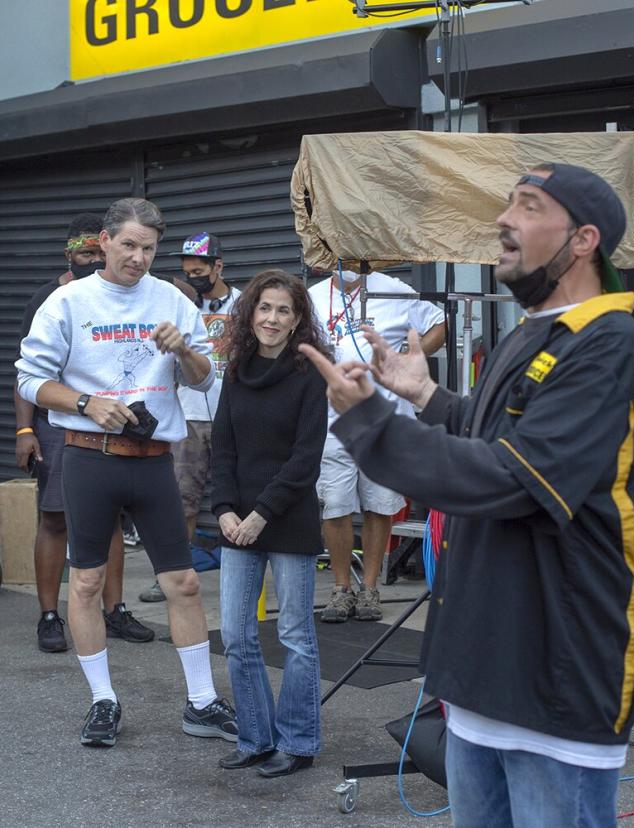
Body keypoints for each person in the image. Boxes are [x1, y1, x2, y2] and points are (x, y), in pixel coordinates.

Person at [301, 163, 634, 827]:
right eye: (508, 204)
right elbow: (495, 435)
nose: (503, 220)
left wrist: (371, 422)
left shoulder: (608, 341)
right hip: (480, 675)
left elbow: (514, 478)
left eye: (527, 206)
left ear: (581, 241)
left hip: (555, 672)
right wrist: (424, 397)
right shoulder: (528, 334)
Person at [17, 197, 237, 748]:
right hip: (89, 456)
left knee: (182, 583)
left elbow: (205, 380)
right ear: (106, 243)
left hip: (154, 459)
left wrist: (184, 348)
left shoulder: (173, 299)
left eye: (149, 247)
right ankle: (102, 701)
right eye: (130, 245)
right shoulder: (68, 301)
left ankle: (202, 702)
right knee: (87, 581)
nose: (139, 257)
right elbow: (29, 380)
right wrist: (88, 402)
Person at [14, 213, 153, 651]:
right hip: (59, 423)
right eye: (85, 252)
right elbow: (24, 372)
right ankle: (50, 615)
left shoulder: (120, 295)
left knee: (110, 518)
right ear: (68, 253)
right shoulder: (49, 298)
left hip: (113, 421)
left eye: (98, 251)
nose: (92, 259)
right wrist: (24, 429)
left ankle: (114, 611)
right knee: (55, 519)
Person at [210, 269, 328, 778]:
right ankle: (256, 737)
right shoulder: (236, 371)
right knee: (237, 634)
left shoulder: (309, 376)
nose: (272, 318)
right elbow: (222, 450)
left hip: (287, 519)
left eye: (283, 310)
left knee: (296, 635)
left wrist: (261, 513)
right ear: (249, 313)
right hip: (239, 523)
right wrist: (226, 510)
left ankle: (298, 742)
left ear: (298, 319)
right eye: (264, 308)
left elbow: (305, 460)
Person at [307, 266, 446, 623]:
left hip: (384, 419)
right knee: (335, 505)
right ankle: (341, 588)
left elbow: (440, 323)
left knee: (379, 505)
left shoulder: (393, 289)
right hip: (331, 418)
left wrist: (403, 359)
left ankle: (369, 587)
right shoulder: (313, 295)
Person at [140, 232, 240, 604]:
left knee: (239, 496)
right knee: (180, 498)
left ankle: (243, 571)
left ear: (218, 266)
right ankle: (170, 572)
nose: (193, 278)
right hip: (189, 414)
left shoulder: (245, 305)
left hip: (233, 414)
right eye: (187, 272)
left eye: (199, 271)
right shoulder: (176, 306)